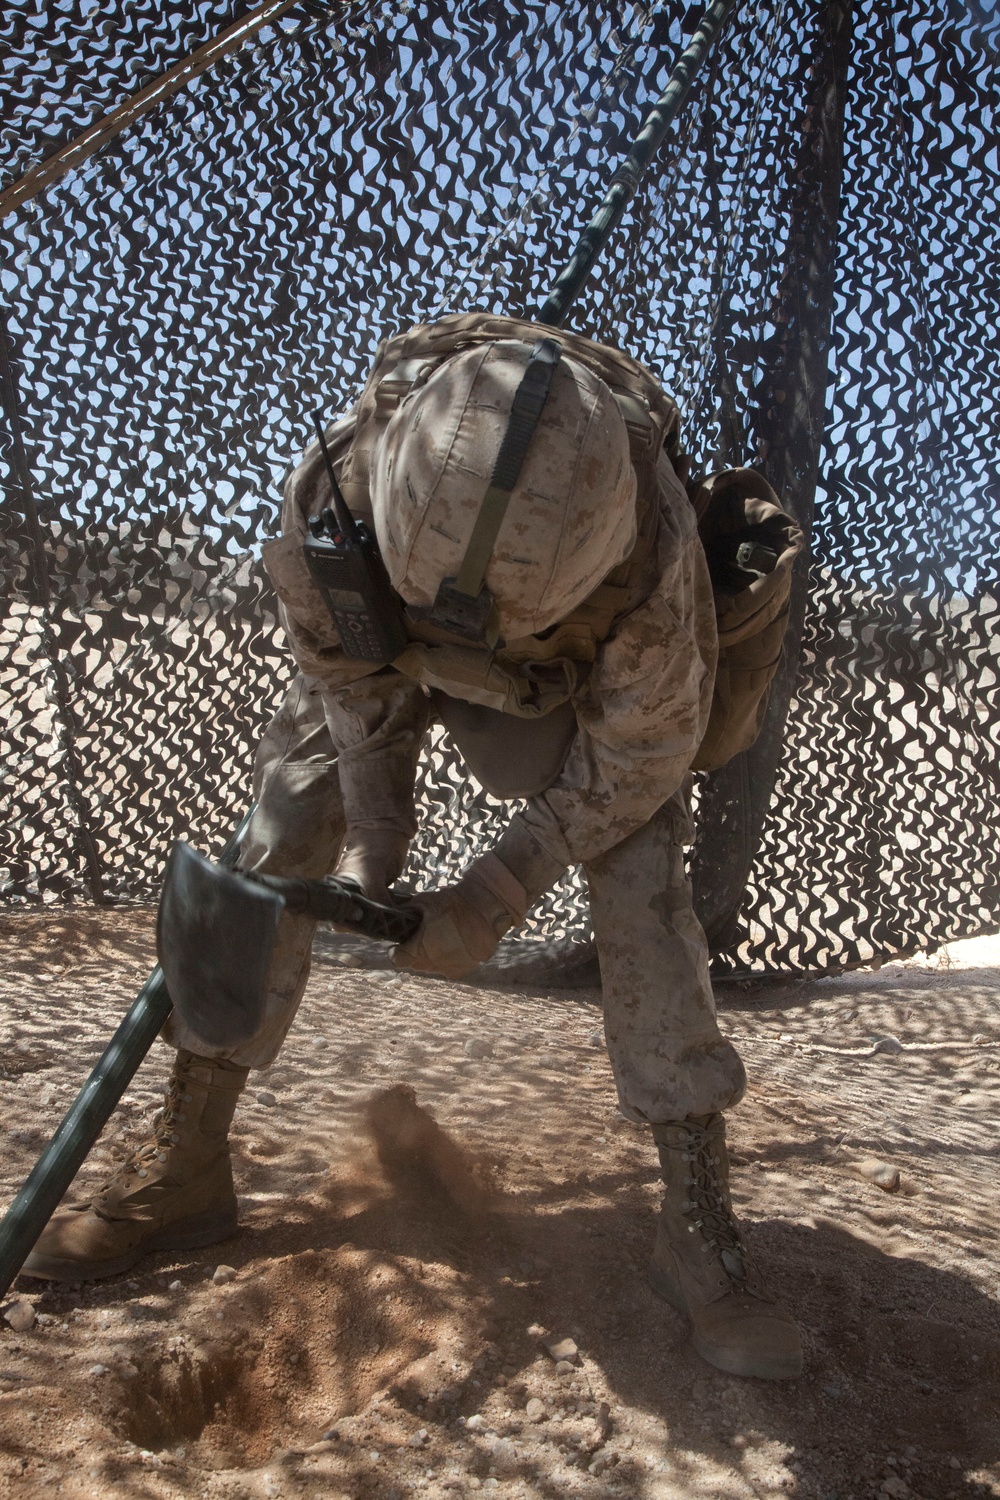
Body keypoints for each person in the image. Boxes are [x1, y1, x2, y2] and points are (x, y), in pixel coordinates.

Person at [23, 312, 803, 1381]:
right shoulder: (333, 495)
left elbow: (635, 764)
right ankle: (188, 1162)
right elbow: (350, 683)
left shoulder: (653, 559)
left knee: (640, 872)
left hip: (561, 687)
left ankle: (694, 1227)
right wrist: (375, 851)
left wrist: (491, 892)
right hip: (389, 651)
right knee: (283, 819)